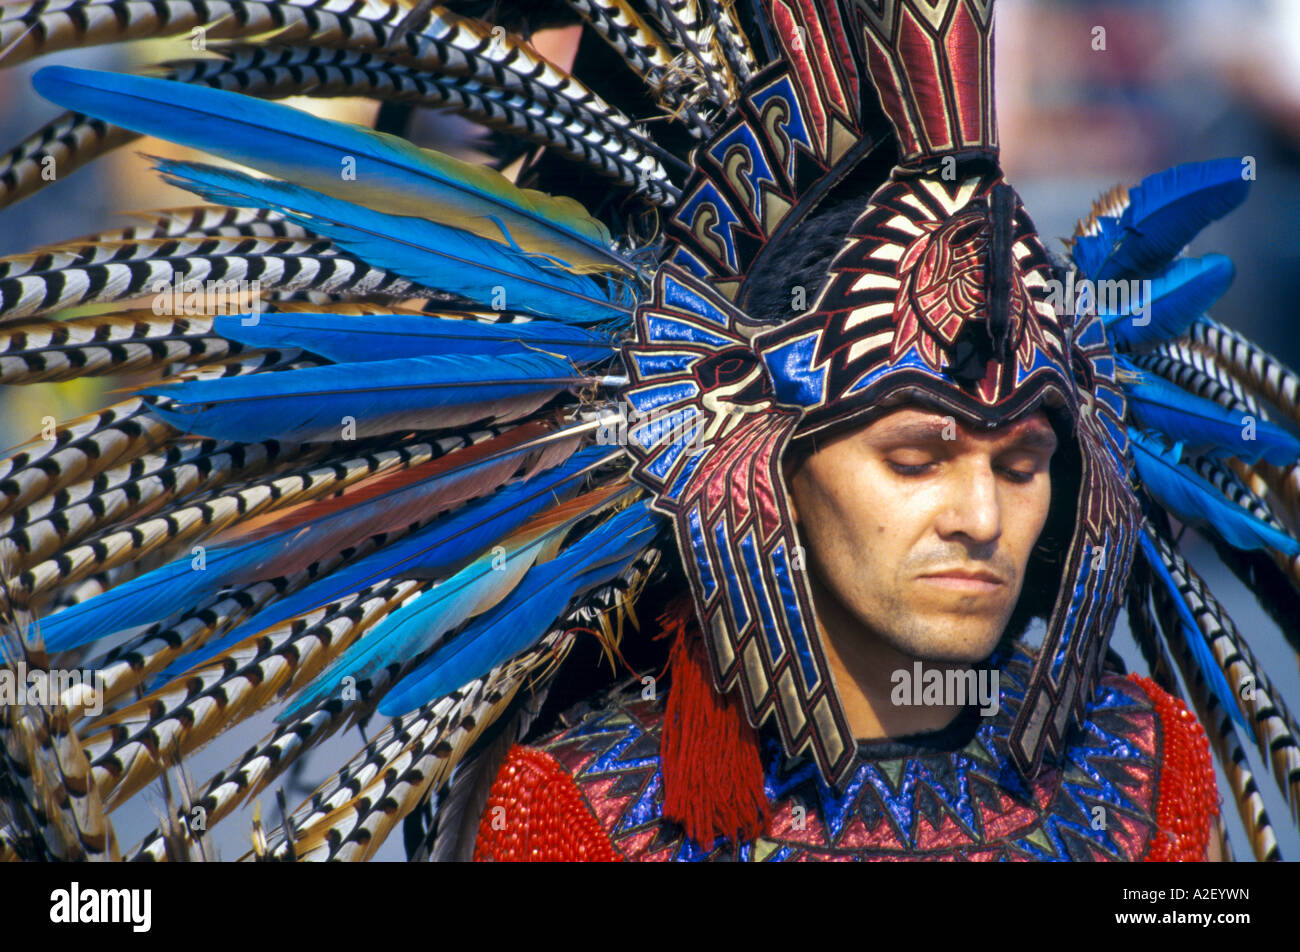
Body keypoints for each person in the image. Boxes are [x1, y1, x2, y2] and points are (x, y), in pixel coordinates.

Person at [0, 0, 1292, 863]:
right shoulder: (581, 801)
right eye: (915, 454)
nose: (980, 514)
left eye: (1024, 460)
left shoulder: (1137, 765)